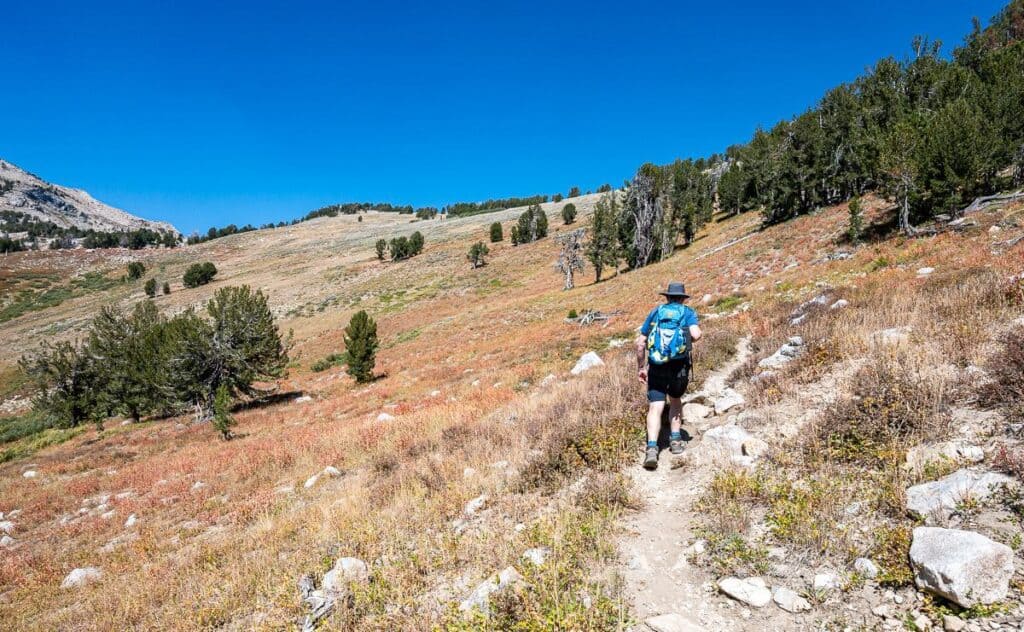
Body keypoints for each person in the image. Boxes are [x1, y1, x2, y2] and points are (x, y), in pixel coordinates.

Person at [636, 281, 702, 470]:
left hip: (656, 366)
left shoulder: (656, 312)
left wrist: (642, 367)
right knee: (675, 401)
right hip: (678, 366)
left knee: (655, 407)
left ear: (667, 297)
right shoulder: (687, 312)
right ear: (682, 298)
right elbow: (696, 335)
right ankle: (675, 440)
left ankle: (651, 448)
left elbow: (640, 344)